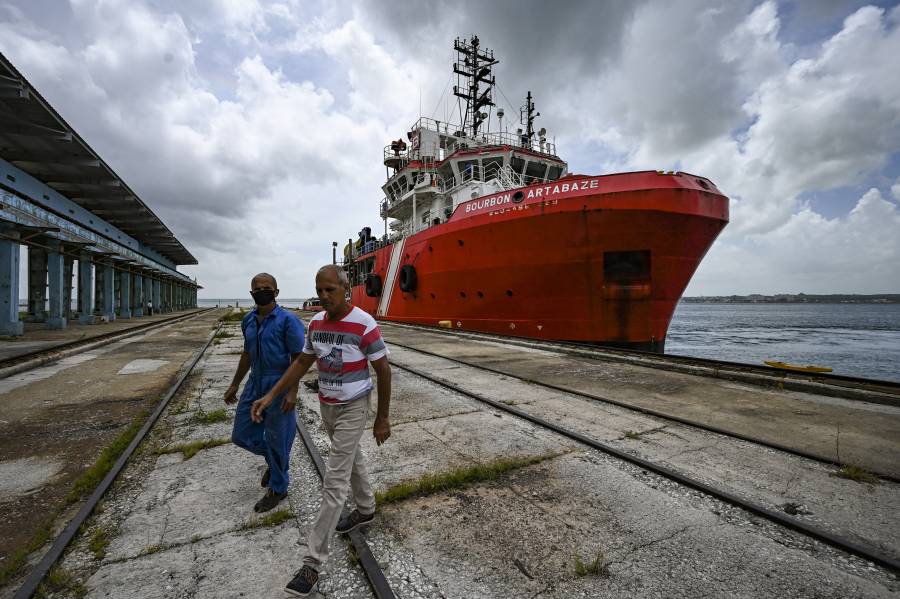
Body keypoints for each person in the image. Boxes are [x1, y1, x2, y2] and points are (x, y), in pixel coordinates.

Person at [252, 265, 391, 597]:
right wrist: (272, 394)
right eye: (320, 290)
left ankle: (312, 563)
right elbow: (301, 363)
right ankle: (366, 509)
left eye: (330, 289)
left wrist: (382, 417)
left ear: (346, 288)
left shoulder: (364, 324)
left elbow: (383, 370)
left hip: (355, 405)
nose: (324, 296)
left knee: (334, 481)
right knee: (350, 455)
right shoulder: (315, 324)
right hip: (327, 404)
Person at [224, 273, 304, 512]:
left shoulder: (289, 321)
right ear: (251, 293)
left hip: (279, 382)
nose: (262, 291)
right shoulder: (247, 321)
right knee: (241, 434)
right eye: (257, 288)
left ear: (276, 292)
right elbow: (247, 353)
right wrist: (235, 383)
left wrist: (292, 393)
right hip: (255, 381)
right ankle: (274, 461)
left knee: (279, 438)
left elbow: (298, 358)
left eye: (266, 288)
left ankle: (279, 488)